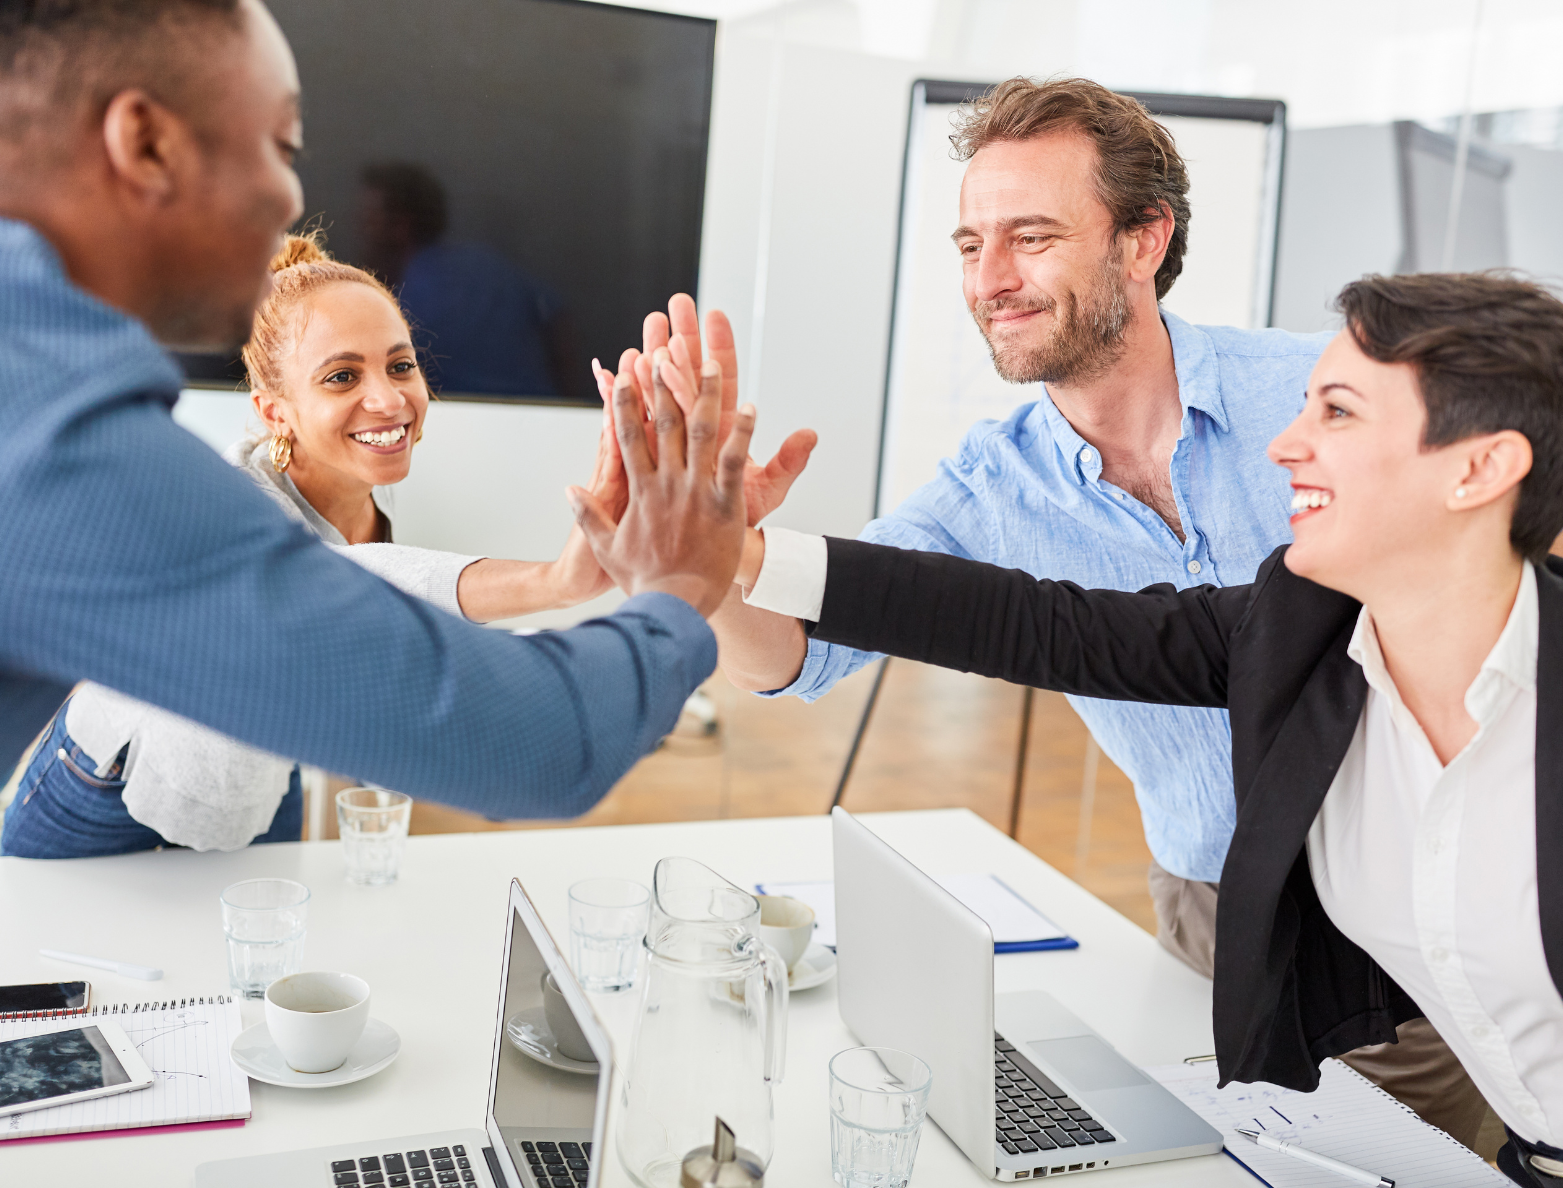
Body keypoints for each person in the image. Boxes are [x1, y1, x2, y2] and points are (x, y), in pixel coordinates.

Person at [597, 78, 1490, 1146]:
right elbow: (794, 659)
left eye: (1030, 237)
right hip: (1212, 915)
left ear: (1143, 239)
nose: (991, 280)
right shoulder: (989, 485)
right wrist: (720, 560)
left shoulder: (1316, 395)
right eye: (971, 245)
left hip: (1415, 912)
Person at [688, 271, 1563, 1187]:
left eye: (1337, 414)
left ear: (1479, 467)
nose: (1286, 445)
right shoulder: (1302, 624)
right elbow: (1038, 624)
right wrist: (739, 553)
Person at [0, 1, 765, 829]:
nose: (291, 194)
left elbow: (344, 581)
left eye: (401, 364)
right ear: (147, 144)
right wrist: (682, 582)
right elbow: (540, 744)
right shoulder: (59, 443)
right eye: (282, 146)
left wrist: (559, 581)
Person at [2, 232, 624, 857]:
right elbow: (347, 583)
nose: (388, 399)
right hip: (111, 780)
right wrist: (556, 582)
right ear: (276, 413)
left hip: (259, 764)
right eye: (342, 376)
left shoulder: (369, 490)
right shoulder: (230, 501)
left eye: (400, 364)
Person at [357, 161, 572, 398]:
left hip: (453, 419)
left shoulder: (408, 296)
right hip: (540, 412)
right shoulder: (487, 261)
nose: (361, 232)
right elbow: (558, 320)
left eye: (368, 220)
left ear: (401, 226)